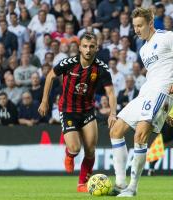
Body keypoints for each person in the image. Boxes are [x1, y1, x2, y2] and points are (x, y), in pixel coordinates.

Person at [109, 8, 173, 197]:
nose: (137, 30)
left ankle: (132, 188)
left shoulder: (168, 37)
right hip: (145, 93)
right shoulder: (143, 49)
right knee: (115, 131)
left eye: (140, 26)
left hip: (163, 91)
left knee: (140, 135)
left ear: (150, 23)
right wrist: (164, 114)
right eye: (134, 26)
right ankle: (121, 183)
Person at [38, 32, 117, 193]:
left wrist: (113, 113)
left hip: (87, 111)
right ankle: (69, 154)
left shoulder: (101, 68)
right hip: (67, 110)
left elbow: (110, 93)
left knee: (90, 150)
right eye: (85, 46)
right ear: (80, 47)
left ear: (96, 48)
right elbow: (50, 76)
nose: (88, 50)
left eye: (92, 46)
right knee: (75, 148)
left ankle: (82, 184)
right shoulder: (68, 63)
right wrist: (45, 100)